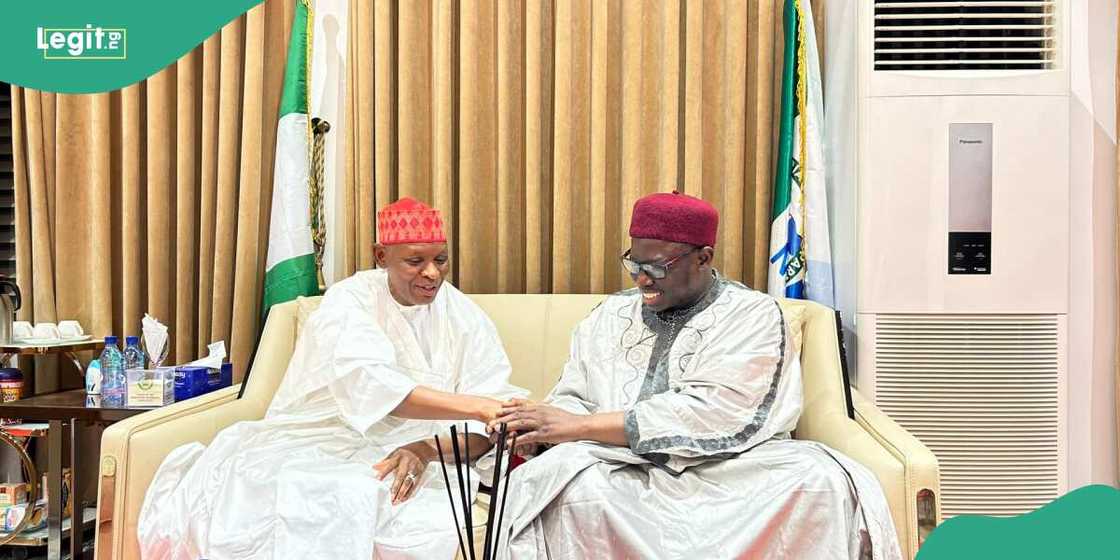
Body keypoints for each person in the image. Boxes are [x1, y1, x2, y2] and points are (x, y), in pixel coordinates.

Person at [489, 191, 901, 559]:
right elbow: (574, 394)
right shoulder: (609, 316)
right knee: (564, 486)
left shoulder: (753, 315)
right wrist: (541, 426)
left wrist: (578, 426)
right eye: (633, 263)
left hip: (733, 468)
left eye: (657, 266)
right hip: (621, 465)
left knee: (822, 480)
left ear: (704, 258)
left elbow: (718, 411)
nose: (642, 278)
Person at [139, 198, 524, 560]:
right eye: (415, 261)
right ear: (381, 257)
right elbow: (375, 386)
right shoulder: (348, 300)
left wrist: (424, 449)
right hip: (324, 434)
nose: (432, 273)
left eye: (441, 260)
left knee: (385, 498)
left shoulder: (464, 314)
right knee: (287, 484)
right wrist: (479, 407)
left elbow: (493, 418)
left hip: (427, 445)